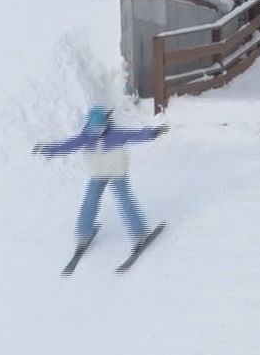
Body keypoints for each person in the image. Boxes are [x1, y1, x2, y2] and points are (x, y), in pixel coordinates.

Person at [34, 105, 166, 254]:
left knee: (125, 200)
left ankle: (139, 233)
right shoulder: (86, 136)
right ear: (89, 125)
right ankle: (84, 234)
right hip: (99, 172)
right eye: (93, 128)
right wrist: (47, 149)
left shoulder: (115, 134)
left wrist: (153, 133)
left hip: (117, 171)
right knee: (90, 200)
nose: (96, 132)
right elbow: (68, 145)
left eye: (100, 127)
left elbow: (134, 134)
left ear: (105, 124)